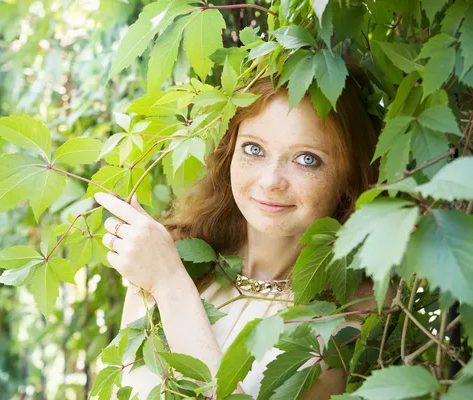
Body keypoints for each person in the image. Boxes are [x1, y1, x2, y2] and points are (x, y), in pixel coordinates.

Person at [94, 63, 382, 399]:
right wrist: (165, 276)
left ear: (347, 178)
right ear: (230, 152)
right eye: (254, 149)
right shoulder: (175, 253)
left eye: (307, 159)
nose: (271, 181)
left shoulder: (351, 316)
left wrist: (171, 287)